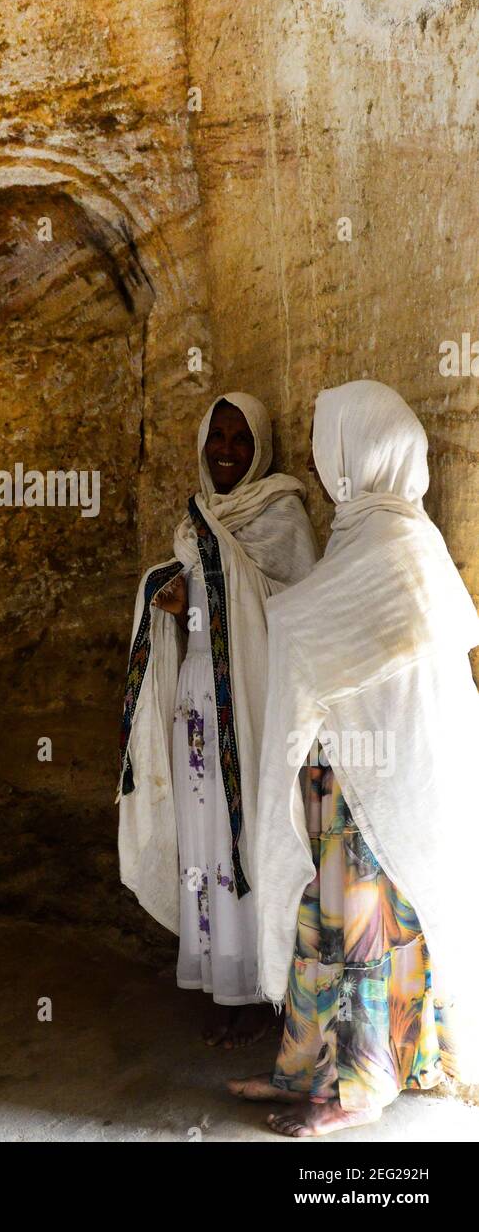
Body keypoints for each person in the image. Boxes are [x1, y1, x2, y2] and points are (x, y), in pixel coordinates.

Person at [231, 379, 479, 1134]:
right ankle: (304, 1066)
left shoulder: (400, 542)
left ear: (357, 452)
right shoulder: (364, 537)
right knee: (321, 926)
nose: (319, 451)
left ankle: (358, 1092)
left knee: (367, 931)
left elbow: (323, 628)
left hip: (383, 788)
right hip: (342, 780)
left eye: (327, 438)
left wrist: (293, 620)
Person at [118, 393, 318, 1046]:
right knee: (204, 848)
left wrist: (201, 596)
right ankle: (223, 980)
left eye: (239, 438)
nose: (226, 450)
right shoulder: (197, 518)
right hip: (198, 707)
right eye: (217, 437)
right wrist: (170, 594)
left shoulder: (281, 514)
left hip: (254, 707)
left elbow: (294, 611)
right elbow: (198, 592)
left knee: (250, 842)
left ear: (258, 446)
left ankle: (263, 988)